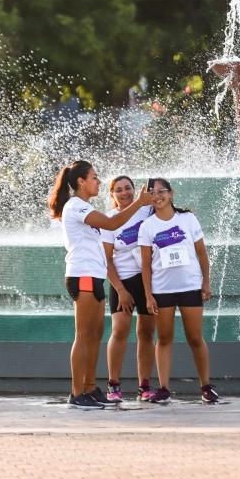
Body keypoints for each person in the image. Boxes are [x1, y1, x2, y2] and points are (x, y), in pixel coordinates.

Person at [48, 161, 152, 409]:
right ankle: (76, 393)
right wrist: (138, 203)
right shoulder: (75, 206)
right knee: (83, 336)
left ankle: (90, 388)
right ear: (81, 182)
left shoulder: (85, 206)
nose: (98, 181)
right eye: (94, 177)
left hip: (94, 275)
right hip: (81, 274)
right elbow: (112, 224)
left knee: (95, 335)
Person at [138, 178, 218, 404]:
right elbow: (145, 265)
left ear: (171, 194)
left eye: (161, 191)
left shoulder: (188, 219)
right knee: (164, 338)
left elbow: (201, 253)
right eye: (152, 193)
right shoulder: (147, 226)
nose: (157, 196)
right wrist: (148, 294)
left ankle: (205, 386)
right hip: (162, 289)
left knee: (195, 337)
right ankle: (163, 388)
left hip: (190, 286)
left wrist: (206, 282)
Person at [101, 176, 156, 402]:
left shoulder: (147, 211)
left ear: (135, 190)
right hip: (122, 281)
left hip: (148, 282)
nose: (125, 193)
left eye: (128, 188)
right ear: (112, 194)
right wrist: (121, 290)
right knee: (120, 330)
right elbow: (106, 260)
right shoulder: (109, 220)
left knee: (146, 333)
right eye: (119, 190)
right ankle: (113, 384)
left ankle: (144, 386)